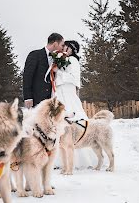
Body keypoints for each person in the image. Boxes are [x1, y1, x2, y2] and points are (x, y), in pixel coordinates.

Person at [54, 40, 96, 170]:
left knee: (74, 121)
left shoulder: (73, 61)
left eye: (67, 47)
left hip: (68, 93)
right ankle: (61, 159)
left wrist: (58, 72)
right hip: (60, 93)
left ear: (72, 49)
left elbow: (74, 78)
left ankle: (80, 160)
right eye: (64, 46)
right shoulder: (64, 60)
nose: (64, 49)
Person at [22, 33, 64, 108]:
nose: (62, 48)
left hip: (51, 100)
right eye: (61, 45)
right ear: (55, 44)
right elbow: (27, 76)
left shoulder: (58, 59)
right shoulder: (35, 55)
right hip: (36, 99)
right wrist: (28, 97)